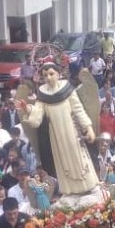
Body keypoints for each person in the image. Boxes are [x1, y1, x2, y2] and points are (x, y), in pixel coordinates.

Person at [17, 62, 98, 198]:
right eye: (45, 75)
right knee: (63, 162)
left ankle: (88, 185)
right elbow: (37, 114)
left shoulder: (67, 88)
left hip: (72, 131)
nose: (48, 78)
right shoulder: (43, 93)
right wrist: (27, 108)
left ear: (58, 74)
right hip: (56, 136)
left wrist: (88, 128)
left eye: (51, 74)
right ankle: (70, 191)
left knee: (79, 158)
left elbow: (79, 110)